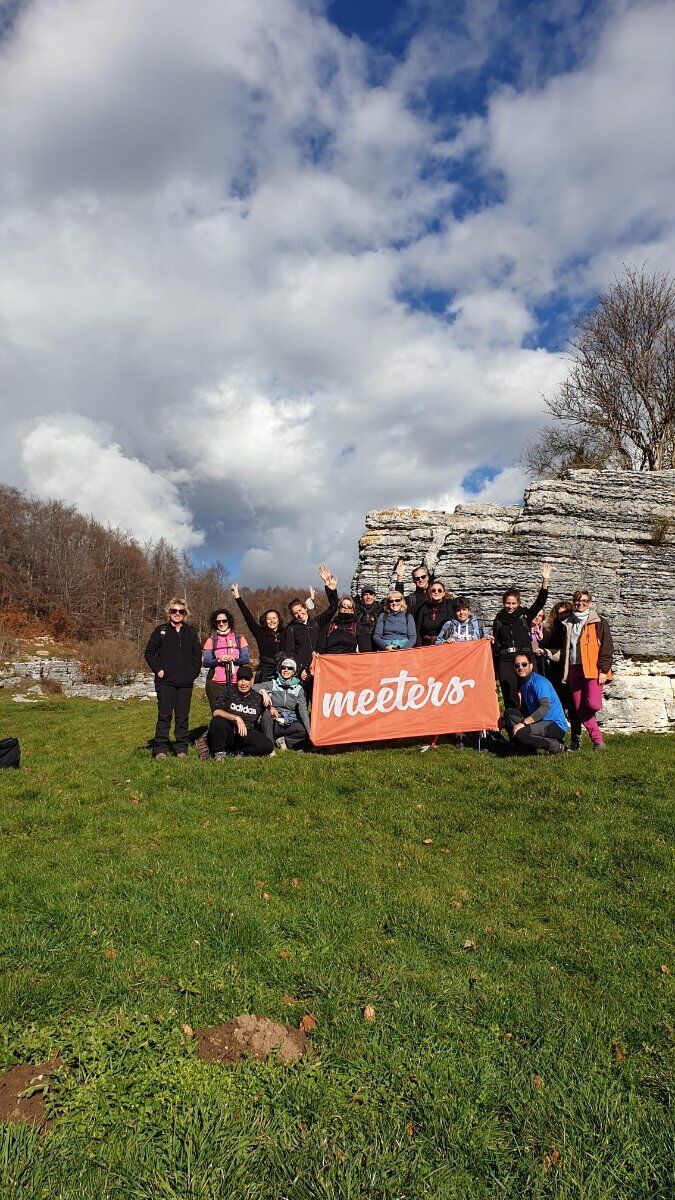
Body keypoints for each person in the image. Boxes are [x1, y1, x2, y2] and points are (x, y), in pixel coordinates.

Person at [545, 588, 614, 751]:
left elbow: (607, 647)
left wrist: (604, 670)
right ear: (574, 602)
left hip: (593, 670)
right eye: (578, 601)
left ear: (589, 602)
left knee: (593, 704)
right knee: (578, 707)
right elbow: (562, 648)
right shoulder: (568, 622)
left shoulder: (599, 621)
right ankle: (598, 741)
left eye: (584, 601)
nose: (581, 604)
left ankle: (595, 739)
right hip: (574, 670)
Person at [144, 598, 202, 758]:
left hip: (185, 683)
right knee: (164, 715)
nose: (177, 614)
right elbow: (149, 652)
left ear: (185, 614)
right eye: (174, 611)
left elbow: (197, 656)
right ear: (169, 612)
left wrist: (193, 674)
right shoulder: (160, 630)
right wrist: (158, 670)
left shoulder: (191, 632)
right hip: (165, 682)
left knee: (182, 717)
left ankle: (181, 748)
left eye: (181, 611)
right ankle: (160, 749)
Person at [492, 563, 551, 707]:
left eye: (513, 603)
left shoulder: (525, 615)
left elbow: (540, 602)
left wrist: (545, 581)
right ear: (503, 603)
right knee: (509, 694)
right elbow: (497, 641)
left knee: (530, 690)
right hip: (506, 661)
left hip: (526, 657)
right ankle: (513, 725)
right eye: (508, 603)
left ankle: (531, 723)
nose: (510, 606)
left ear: (518, 603)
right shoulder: (499, 619)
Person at [502, 651, 568, 755]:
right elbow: (524, 710)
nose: (520, 667)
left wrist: (523, 724)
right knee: (509, 713)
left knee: (522, 733)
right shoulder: (524, 684)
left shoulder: (539, 682)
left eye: (524, 664)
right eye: (517, 665)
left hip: (555, 725)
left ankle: (556, 746)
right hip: (539, 722)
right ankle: (524, 748)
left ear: (531, 666)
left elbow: (545, 708)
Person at [207, 665, 275, 759]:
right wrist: (236, 718)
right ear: (236, 680)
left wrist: (271, 707)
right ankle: (219, 753)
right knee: (217, 721)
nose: (243, 683)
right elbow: (216, 712)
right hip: (229, 732)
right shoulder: (228, 691)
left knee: (268, 746)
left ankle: (240, 752)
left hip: (246, 734)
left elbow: (268, 710)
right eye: (240, 679)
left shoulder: (257, 698)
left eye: (246, 679)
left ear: (252, 681)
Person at [285, 565, 338, 682]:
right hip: (304, 673)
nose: (298, 614)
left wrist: (331, 589)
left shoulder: (316, 622)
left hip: (321, 668)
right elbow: (291, 653)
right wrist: (299, 670)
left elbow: (333, 607)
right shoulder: (291, 628)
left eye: (300, 610)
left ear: (305, 608)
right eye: (295, 613)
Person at [543, 600, 582, 748]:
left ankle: (576, 739)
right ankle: (558, 739)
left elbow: (565, 653)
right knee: (557, 707)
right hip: (556, 673)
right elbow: (552, 647)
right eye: (560, 614)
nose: (563, 616)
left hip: (569, 672)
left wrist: (549, 652)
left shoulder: (573, 628)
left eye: (566, 612)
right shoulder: (556, 629)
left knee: (573, 708)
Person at [230, 583, 284, 683]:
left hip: (283, 673)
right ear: (265, 620)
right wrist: (237, 597)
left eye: (274, 618)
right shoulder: (261, 634)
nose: (272, 621)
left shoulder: (286, 633)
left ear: (278, 620)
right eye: (269, 618)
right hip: (265, 673)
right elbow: (248, 618)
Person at [254, 657, 311, 750]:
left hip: (289, 721)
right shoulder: (273, 684)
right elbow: (252, 687)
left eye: (290, 668)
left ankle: (284, 741)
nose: (286, 670)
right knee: (266, 714)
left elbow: (303, 712)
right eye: (284, 667)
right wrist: (263, 691)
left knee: (303, 731)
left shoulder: (299, 689)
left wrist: (310, 732)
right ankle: (269, 747)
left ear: (294, 672)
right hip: (273, 722)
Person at [202, 608, 250, 711]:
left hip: (236, 682)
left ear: (229, 621)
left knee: (237, 712)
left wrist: (234, 659)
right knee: (218, 713)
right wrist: (219, 660)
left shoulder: (239, 638)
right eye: (218, 621)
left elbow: (246, 659)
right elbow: (206, 662)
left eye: (224, 621)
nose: (221, 623)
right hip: (216, 684)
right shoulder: (211, 640)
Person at [415, 581, 454, 646]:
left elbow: (453, 622)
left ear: (443, 593)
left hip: (445, 643)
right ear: (430, 593)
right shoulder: (424, 608)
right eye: (433, 590)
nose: (436, 592)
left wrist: (450, 637)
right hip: (427, 645)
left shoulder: (449, 605)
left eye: (439, 590)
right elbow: (417, 629)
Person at [530, 607, 547, 674]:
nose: (537, 617)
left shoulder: (545, 631)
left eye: (540, 616)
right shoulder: (524, 630)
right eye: (535, 614)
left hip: (542, 663)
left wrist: (541, 639)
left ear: (542, 618)